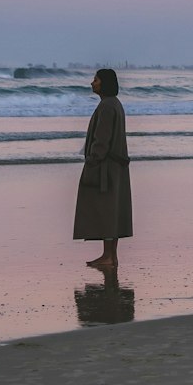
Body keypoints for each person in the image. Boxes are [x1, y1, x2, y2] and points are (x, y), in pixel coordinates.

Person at [73, 68, 132, 267]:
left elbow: (102, 140)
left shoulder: (107, 106)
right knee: (112, 210)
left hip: (106, 166)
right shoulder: (113, 104)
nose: (92, 83)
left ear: (104, 83)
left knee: (106, 210)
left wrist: (92, 160)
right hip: (115, 165)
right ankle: (110, 256)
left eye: (96, 80)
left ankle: (108, 256)